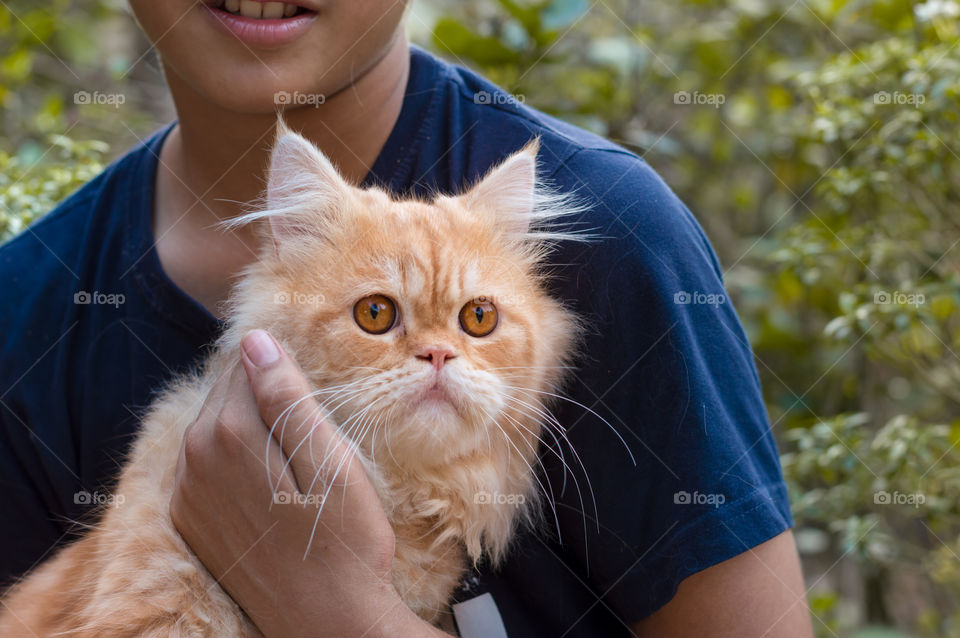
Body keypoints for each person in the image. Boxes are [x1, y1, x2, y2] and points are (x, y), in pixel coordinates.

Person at [0, 1, 813, 636]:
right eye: (379, 311)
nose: (436, 352)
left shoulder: (614, 241)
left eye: (475, 320)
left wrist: (345, 618)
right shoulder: (22, 313)